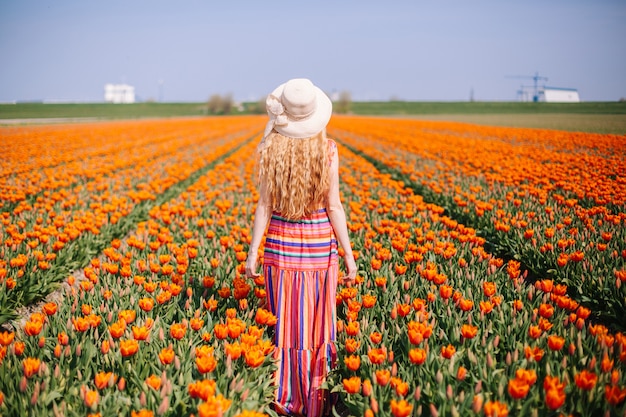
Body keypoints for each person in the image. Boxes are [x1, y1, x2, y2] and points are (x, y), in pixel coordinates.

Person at [245, 78, 357, 417]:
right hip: (321, 252)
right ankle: (317, 398)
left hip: (280, 251)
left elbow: (263, 206)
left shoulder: (270, 149)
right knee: (317, 326)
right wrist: (349, 256)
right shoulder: (328, 150)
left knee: (285, 326)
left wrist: (253, 253)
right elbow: (334, 206)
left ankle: (285, 395)